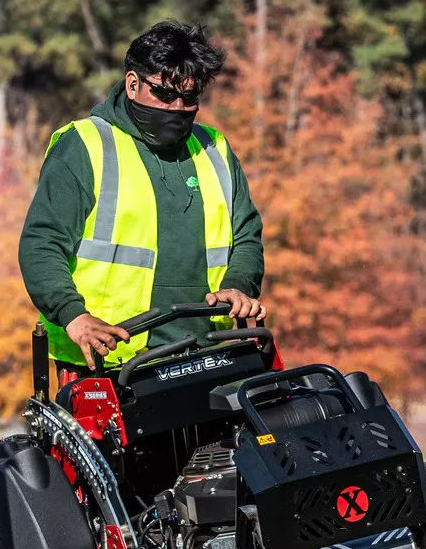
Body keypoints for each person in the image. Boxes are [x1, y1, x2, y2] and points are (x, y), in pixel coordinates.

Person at [18, 21, 265, 370]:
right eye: (165, 94)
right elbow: (41, 244)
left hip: (210, 355)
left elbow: (247, 234)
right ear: (132, 84)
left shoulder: (215, 150)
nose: (178, 107)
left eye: (190, 97)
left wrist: (239, 284)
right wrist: (73, 316)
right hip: (107, 363)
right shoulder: (85, 146)